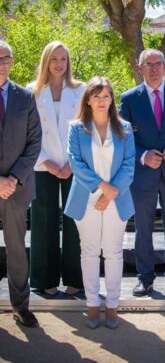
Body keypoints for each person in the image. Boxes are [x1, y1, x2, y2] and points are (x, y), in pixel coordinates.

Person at [119, 49, 165, 298]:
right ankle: (145, 279)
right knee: (143, 229)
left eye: (158, 63)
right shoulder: (129, 99)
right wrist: (143, 155)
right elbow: (123, 138)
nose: (154, 68)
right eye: (148, 64)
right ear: (141, 68)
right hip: (143, 174)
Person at [65, 77, 135, 329]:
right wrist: (101, 188)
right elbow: (75, 163)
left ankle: (113, 306)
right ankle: (93, 304)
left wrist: (108, 193)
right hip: (86, 197)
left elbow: (129, 165)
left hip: (117, 197)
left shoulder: (124, 128)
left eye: (106, 96)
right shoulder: (76, 128)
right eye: (96, 96)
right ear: (88, 100)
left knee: (114, 253)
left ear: (112, 99)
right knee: (90, 252)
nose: (102, 101)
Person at [26, 41, 85, 296]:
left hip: (74, 166)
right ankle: (44, 279)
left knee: (75, 223)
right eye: (54, 59)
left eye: (63, 59)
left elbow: (88, 129)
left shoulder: (80, 90)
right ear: (45, 62)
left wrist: (74, 163)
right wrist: (43, 160)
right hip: (43, 165)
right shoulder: (32, 91)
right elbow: (28, 133)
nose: (59, 64)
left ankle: (76, 279)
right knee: (43, 222)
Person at [0, 40, 42, 327]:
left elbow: (34, 142)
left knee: (17, 249)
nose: (0, 62)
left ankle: (20, 308)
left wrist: (12, 178)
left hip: (17, 188)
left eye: (4, 57)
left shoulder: (25, 98)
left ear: (12, 61)